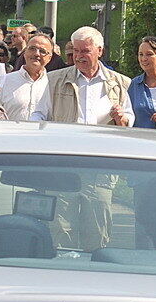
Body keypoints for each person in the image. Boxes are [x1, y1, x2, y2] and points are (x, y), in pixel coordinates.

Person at [30, 26, 134, 251]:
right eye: (75, 51)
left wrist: (121, 118)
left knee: (98, 229)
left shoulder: (120, 83)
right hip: (63, 164)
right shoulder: (55, 79)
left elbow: (129, 121)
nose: (78, 56)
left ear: (100, 51)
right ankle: (62, 274)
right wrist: (43, 134)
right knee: (61, 228)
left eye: (85, 51)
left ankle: (95, 277)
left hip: (102, 166)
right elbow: (39, 114)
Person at [0, 34, 53, 120]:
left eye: (42, 51)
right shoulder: (4, 81)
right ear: (25, 52)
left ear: (49, 57)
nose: (36, 54)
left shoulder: (53, 84)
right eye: (32, 48)